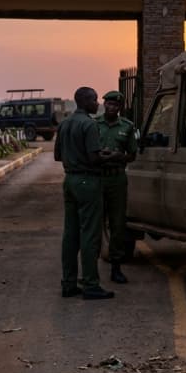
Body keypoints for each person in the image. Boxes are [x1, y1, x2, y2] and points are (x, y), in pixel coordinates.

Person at [54, 86, 121, 300]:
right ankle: (91, 284)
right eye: (94, 99)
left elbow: (57, 155)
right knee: (90, 234)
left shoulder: (64, 124)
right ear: (84, 101)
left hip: (70, 180)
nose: (97, 103)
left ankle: (68, 282)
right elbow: (94, 158)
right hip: (88, 181)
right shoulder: (89, 124)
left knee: (70, 234)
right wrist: (111, 157)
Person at [96, 91, 138, 284]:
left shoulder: (127, 127)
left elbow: (132, 155)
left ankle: (116, 267)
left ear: (120, 108)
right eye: (108, 104)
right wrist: (100, 156)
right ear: (104, 105)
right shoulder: (94, 124)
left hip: (117, 179)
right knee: (94, 223)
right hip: (97, 178)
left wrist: (117, 156)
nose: (111, 108)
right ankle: (91, 268)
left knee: (117, 224)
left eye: (115, 105)